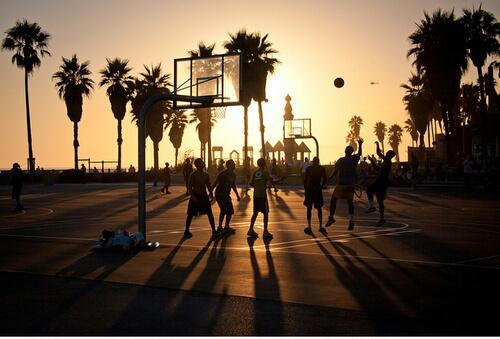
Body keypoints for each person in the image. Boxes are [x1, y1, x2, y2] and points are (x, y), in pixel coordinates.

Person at [325, 138, 363, 230]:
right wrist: (360, 144)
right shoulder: (354, 159)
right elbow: (359, 154)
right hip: (350, 184)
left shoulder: (341, 160)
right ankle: (351, 221)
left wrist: (329, 178)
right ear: (351, 152)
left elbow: (335, 171)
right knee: (350, 202)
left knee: (333, 199)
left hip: (342, 184)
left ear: (345, 151)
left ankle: (331, 217)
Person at [184, 158, 217, 239]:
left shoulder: (206, 175)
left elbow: (208, 185)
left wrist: (211, 194)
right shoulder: (193, 174)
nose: (204, 163)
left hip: (203, 196)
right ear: (198, 164)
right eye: (202, 162)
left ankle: (214, 230)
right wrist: (193, 196)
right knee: (190, 214)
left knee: (209, 213)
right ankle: (186, 231)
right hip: (195, 195)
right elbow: (190, 187)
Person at [365, 141, 395, 226]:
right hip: (382, 181)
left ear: (390, 155)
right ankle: (381, 218)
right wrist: (372, 161)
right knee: (379, 200)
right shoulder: (385, 162)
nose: (386, 153)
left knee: (369, 190)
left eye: (388, 153)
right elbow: (377, 169)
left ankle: (372, 207)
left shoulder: (388, 160)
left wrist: (377, 145)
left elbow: (378, 153)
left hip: (382, 180)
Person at [247, 158, 273, 239]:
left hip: (256, 195)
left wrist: (258, 186)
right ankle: (265, 231)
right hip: (262, 195)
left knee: (255, 213)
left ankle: (250, 229)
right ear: (264, 164)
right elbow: (270, 182)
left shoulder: (255, 172)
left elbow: (251, 183)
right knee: (265, 213)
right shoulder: (265, 172)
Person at [213, 159, 241, 233]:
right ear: (228, 166)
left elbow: (233, 185)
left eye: (234, 164)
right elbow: (215, 183)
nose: (234, 165)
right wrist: (210, 193)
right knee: (223, 210)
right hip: (219, 194)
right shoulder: (222, 174)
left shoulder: (233, 175)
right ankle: (219, 226)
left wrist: (237, 195)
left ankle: (227, 226)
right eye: (232, 164)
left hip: (226, 195)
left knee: (230, 211)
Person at [303, 157, 327, 234]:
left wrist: (306, 190)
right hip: (317, 189)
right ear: (318, 162)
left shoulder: (309, 169)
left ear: (312, 162)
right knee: (319, 208)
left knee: (309, 208)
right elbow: (325, 179)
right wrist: (321, 187)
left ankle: (309, 226)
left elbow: (305, 181)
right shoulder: (321, 169)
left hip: (310, 189)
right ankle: (320, 226)